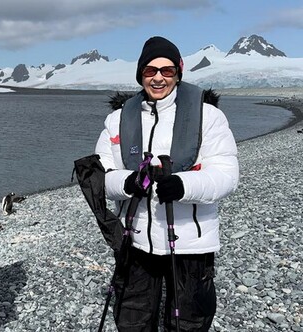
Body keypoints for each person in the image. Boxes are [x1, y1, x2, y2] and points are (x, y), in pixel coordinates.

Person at [95, 36, 239, 331]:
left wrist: (183, 186)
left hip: (191, 241)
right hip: (134, 240)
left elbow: (227, 175)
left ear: (178, 73)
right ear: (140, 74)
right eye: (150, 71)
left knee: (189, 321)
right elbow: (100, 177)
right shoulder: (118, 119)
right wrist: (129, 182)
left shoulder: (208, 117)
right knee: (131, 319)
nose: (158, 78)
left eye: (167, 70)